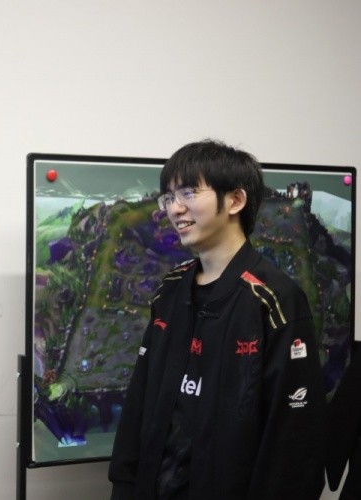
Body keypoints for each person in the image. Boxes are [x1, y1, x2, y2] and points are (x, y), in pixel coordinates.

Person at [107, 140, 327, 499]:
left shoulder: (274, 299)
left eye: (189, 193)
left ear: (235, 200)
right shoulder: (171, 289)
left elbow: (294, 437)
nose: (175, 208)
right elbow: (140, 398)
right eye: (169, 197)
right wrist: (124, 483)